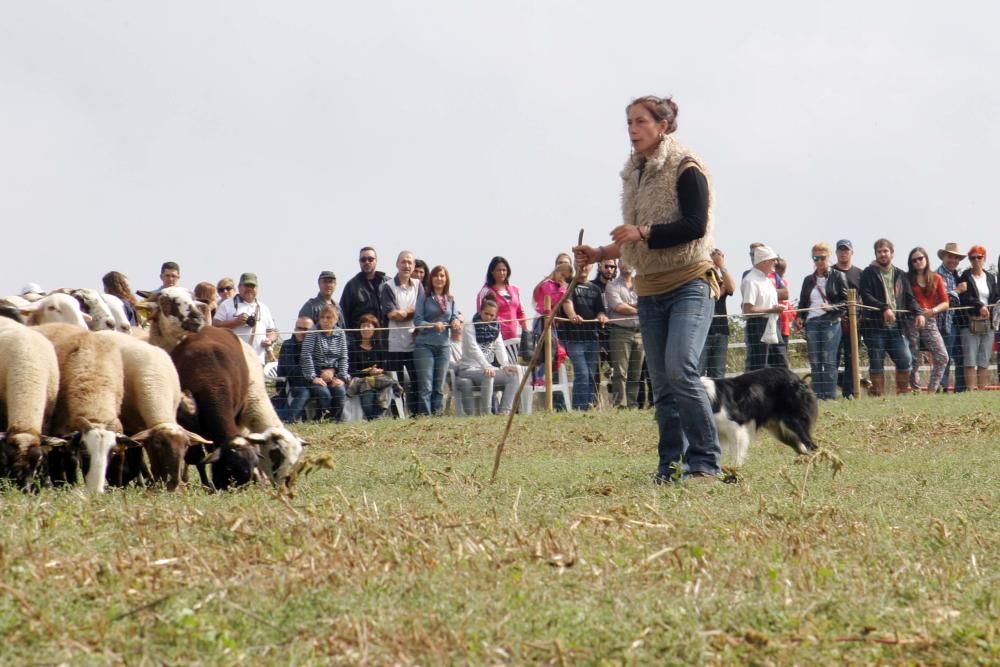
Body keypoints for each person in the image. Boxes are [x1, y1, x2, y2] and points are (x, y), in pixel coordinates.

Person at [574, 95, 720, 483]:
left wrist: (642, 231)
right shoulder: (634, 174)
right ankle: (669, 467)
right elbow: (634, 240)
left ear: (663, 125)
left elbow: (695, 226)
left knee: (681, 369)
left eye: (640, 122)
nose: (632, 130)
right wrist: (600, 252)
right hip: (650, 289)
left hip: (690, 281)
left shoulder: (686, 167)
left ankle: (704, 462)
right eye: (628, 123)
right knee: (662, 384)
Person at [859, 239, 915, 396]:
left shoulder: (900, 274)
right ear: (875, 254)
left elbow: (909, 297)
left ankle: (903, 394)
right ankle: (878, 396)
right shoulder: (868, 273)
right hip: (874, 326)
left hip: (896, 327)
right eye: (879, 251)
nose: (882, 254)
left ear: (892, 252)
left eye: (885, 251)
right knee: (876, 362)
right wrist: (884, 308)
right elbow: (866, 295)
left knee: (905, 359)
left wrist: (918, 313)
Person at [456, 295, 520, 415]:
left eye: (492, 315)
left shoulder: (495, 328)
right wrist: (486, 365)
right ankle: (487, 413)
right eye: (486, 314)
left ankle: (504, 412)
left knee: (513, 376)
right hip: (469, 369)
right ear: (480, 311)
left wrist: (505, 365)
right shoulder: (470, 327)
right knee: (489, 374)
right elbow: (474, 349)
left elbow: (500, 347)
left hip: (488, 369)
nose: (488, 317)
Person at [794, 243, 842, 400]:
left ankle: (829, 396)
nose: (819, 261)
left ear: (829, 258)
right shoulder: (808, 280)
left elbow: (847, 302)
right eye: (816, 258)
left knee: (829, 360)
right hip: (812, 321)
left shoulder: (838, 276)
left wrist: (831, 307)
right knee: (815, 361)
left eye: (822, 257)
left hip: (831, 321)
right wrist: (799, 318)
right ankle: (818, 397)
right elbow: (802, 303)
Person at [559, 263, 609, 411]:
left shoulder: (595, 289)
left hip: (592, 338)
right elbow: (567, 303)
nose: (584, 267)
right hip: (574, 339)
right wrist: (573, 316)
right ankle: (578, 408)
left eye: (587, 264)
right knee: (582, 373)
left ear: (592, 266)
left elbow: (600, 310)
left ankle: (589, 407)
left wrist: (601, 317)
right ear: (575, 264)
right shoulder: (569, 285)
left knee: (592, 374)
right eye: (581, 264)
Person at [413, 265, 462, 416]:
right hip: (425, 345)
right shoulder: (424, 296)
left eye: (442, 276)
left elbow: (454, 316)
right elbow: (417, 320)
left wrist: (455, 321)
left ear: (446, 279)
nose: (439, 279)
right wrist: (432, 325)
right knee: (426, 385)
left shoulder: (450, 299)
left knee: (439, 386)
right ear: (431, 278)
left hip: (443, 346)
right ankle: (425, 416)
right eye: (436, 276)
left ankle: (437, 416)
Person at [380, 251, 423, 414]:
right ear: (397, 264)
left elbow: (420, 311)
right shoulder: (388, 286)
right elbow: (392, 314)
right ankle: (398, 416)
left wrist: (404, 313)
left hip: (414, 343)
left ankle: (416, 414)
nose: (407, 266)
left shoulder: (419, 285)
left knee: (416, 381)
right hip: (394, 344)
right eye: (403, 262)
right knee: (395, 384)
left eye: (410, 263)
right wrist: (410, 312)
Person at [904, 247, 949, 394]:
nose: (917, 262)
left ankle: (931, 391)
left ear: (926, 259)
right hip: (911, 320)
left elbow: (945, 302)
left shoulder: (936, 278)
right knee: (914, 359)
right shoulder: (907, 278)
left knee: (942, 356)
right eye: (914, 260)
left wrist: (933, 310)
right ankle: (916, 391)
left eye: (920, 258)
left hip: (930, 320)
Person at [214, 272, 279, 364]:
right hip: (233, 360)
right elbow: (215, 325)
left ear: (257, 288)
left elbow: (272, 331)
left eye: (252, 286)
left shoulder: (264, 308)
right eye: (246, 286)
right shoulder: (227, 304)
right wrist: (235, 322)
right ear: (239, 287)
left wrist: (270, 340)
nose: (249, 289)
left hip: (257, 361)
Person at [957, 245, 998, 391]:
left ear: (984, 258)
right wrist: (980, 305)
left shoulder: (991, 277)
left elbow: (995, 296)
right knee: (970, 359)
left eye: (979, 257)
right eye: (972, 258)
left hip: (988, 323)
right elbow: (965, 298)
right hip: (970, 323)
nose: (976, 260)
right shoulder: (965, 276)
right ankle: (971, 390)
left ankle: (981, 390)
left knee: (984, 359)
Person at [605, 260, 644, 408]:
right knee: (620, 372)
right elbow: (619, 307)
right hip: (620, 331)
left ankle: (632, 404)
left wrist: (631, 306)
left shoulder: (641, 283)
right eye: (623, 261)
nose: (627, 263)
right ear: (619, 265)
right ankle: (619, 405)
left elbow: (646, 302)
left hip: (640, 332)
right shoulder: (612, 285)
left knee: (636, 372)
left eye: (630, 260)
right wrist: (639, 308)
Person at [300, 305, 350, 421]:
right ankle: (321, 420)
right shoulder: (313, 332)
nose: (325, 321)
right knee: (324, 393)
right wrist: (313, 377)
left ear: (335, 319)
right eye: (322, 317)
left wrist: (341, 377)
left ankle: (335, 421)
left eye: (329, 318)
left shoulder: (340, 333)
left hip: (334, 372)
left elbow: (343, 356)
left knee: (340, 391)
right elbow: (306, 355)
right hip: (316, 373)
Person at [741, 245, 786, 372]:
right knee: (758, 367)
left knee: (781, 363)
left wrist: (773, 310)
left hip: (772, 323)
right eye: (773, 260)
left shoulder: (767, 280)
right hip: (757, 325)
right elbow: (748, 310)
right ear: (764, 261)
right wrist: (771, 310)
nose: (776, 263)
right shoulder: (751, 281)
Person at [830, 239, 863, 398]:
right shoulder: (830, 272)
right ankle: (831, 392)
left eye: (846, 250)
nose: (844, 252)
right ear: (836, 253)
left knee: (852, 359)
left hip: (853, 324)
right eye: (841, 250)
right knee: (833, 359)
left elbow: (862, 297)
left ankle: (849, 392)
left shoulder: (859, 273)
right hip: (834, 322)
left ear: (852, 252)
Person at [348, 313, 394, 420]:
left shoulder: (380, 346)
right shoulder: (353, 347)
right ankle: (374, 418)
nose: (365, 328)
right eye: (363, 325)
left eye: (369, 326)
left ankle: (378, 415)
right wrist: (368, 372)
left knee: (389, 383)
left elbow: (385, 367)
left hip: (379, 379)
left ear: (374, 329)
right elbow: (351, 370)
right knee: (367, 384)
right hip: (361, 381)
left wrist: (378, 371)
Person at [935, 243, 968, 392]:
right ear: (943, 257)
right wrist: (958, 290)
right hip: (944, 322)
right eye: (950, 256)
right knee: (945, 356)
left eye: (956, 258)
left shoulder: (956, 275)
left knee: (960, 356)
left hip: (957, 321)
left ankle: (960, 389)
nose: (953, 260)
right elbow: (942, 298)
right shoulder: (937, 275)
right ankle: (941, 387)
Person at [476, 256, 528, 344]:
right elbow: (480, 315)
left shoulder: (514, 289)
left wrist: (526, 331)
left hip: (514, 338)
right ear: (492, 272)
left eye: (504, 270)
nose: (502, 272)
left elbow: (520, 312)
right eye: (498, 270)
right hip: (495, 339)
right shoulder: (486, 291)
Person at [699, 248, 734, 379]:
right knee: (699, 372)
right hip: (704, 332)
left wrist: (722, 266)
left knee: (718, 374)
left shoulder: (722, 281)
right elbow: (713, 295)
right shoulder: (702, 279)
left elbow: (731, 288)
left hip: (721, 331)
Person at [274, 316, 314, 422]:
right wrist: (312, 376)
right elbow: (291, 371)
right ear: (295, 329)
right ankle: (290, 420)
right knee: (305, 392)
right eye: (299, 328)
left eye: (306, 329)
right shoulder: (288, 345)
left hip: (313, 382)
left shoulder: (316, 345)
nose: (302, 332)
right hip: (292, 384)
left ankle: (324, 419)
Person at [340, 246, 388, 333]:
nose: (367, 262)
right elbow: (343, 315)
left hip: (385, 337)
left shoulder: (387, 283)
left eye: (370, 259)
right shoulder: (351, 286)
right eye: (363, 259)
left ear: (376, 260)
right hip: (360, 340)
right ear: (359, 262)